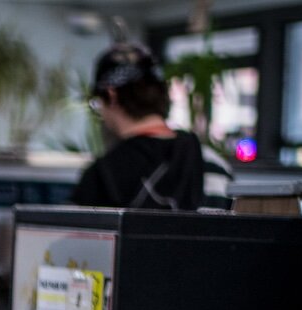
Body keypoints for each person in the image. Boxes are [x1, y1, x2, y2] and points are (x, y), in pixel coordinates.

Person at [71, 42, 232, 211]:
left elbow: (76, 234)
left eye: (97, 103)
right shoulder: (213, 163)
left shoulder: (101, 176)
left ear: (112, 95)